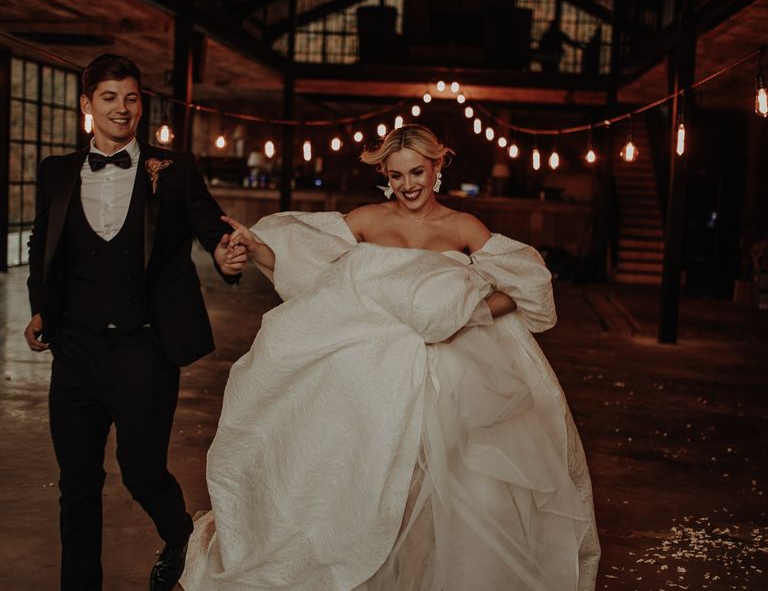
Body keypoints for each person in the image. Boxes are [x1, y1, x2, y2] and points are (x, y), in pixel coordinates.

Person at [182, 125, 600, 590]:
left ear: (438, 166)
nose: (409, 185)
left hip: (454, 365)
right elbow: (312, 272)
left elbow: (524, 287)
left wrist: (465, 316)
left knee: (445, 480)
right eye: (397, 175)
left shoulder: (463, 227)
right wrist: (259, 247)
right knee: (367, 470)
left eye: (418, 171)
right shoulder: (366, 220)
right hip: (373, 365)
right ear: (384, 174)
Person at [24, 53, 247, 591]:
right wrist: (38, 306)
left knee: (142, 471)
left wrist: (224, 256)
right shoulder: (56, 172)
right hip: (74, 348)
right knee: (77, 483)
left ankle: (180, 538)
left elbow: (210, 229)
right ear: (87, 106)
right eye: (109, 98)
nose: (122, 108)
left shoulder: (173, 170)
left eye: (131, 98)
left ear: (140, 104)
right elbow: (42, 245)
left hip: (144, 348)